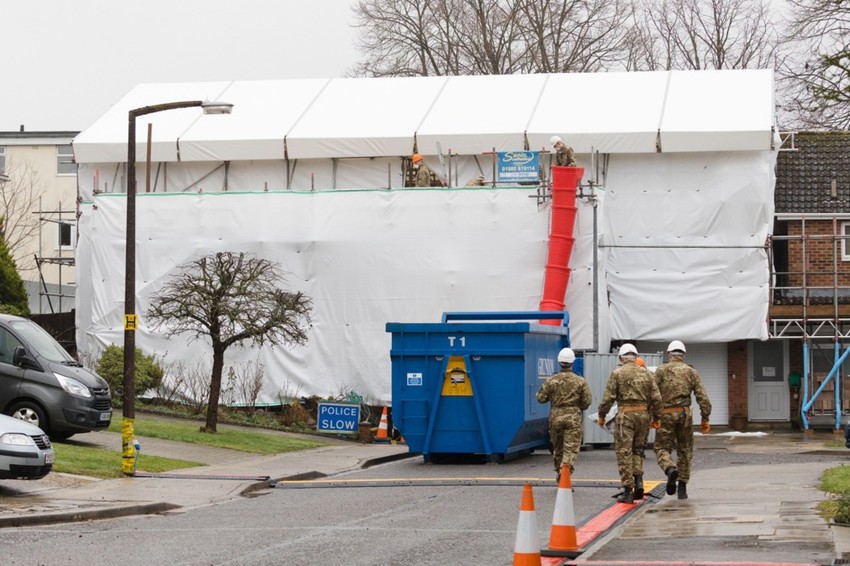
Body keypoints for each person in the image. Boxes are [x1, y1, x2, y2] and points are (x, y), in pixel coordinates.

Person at [596, 343, 662, 504]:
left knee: (624, 452)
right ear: (636, 356)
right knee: (638, 450)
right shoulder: (647, 373)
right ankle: (639, 481)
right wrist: (656, 418)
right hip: (643, 417)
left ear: (621, 358)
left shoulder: (617, 373)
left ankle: (628, 491)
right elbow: (657, 398)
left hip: (626, 417)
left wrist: (602, 416)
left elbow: (608, 398)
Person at [653, 340, 712, 500]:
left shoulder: (660, 371)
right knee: (685, 450)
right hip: (684, 415)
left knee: (661, 448)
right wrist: (705, 418)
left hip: (665, 415)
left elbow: (652, 394)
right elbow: (703, 397)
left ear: (669, 354)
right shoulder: (691, 372)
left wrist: (654, 416)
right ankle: (682, 488)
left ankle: (669, 468)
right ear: (683, 355)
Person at [536, 347, 592, 480]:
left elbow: (540, 398)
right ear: (572, 362)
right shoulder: (580, 381)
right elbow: (587, 402)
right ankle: (564, 472)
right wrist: (576, 407)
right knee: (570, 449)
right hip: (573, 418)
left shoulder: (551, 380)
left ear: (559, 362)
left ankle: (559, 471)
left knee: (558, 448)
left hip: (556, 417)